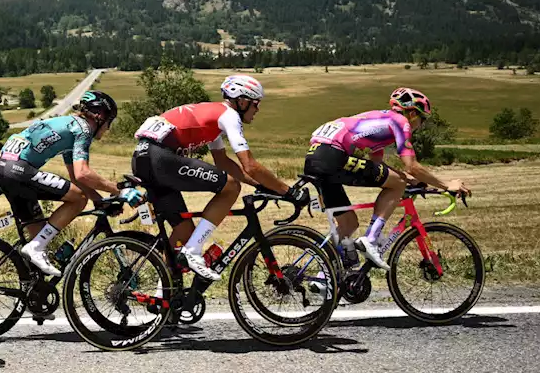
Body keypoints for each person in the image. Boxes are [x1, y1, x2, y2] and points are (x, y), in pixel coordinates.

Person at [131, 74, 292, 280]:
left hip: (142, 159)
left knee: (184, 230)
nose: (257, 109)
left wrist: (258, 185)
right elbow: (249, 165)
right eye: (255, 103)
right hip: (160, 158)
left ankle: (165, 291)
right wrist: (287, 191)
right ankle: (193, 252)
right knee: (231, 187)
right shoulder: (229, 115)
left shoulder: (213, 115)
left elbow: (222, 162)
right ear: (241, 101)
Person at [304, 87, 471, 270]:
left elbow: (378, 166)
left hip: (314, 158)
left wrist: (407, 177)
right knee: (397, 183)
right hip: (332, 156)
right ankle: (371, 240)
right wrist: (447, 184)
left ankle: (324, 278)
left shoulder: (379, 122)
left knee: (348, 223)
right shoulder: (400, 121)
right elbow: (412, 165)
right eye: (422, 120)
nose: (420, 125)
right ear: (413, 113)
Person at [0, 91, 121, 276]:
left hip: (3, 168)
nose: (108, 128)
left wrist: (98, 199)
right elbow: (83, 173)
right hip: (18, 170)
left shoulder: (68, 125)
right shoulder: (84, 129)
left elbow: (76, 176)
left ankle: (31, 290)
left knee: (39, 239)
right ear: (100, 116)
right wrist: (118, 190)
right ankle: (36, 248)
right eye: (110, 121)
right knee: (78, 199)